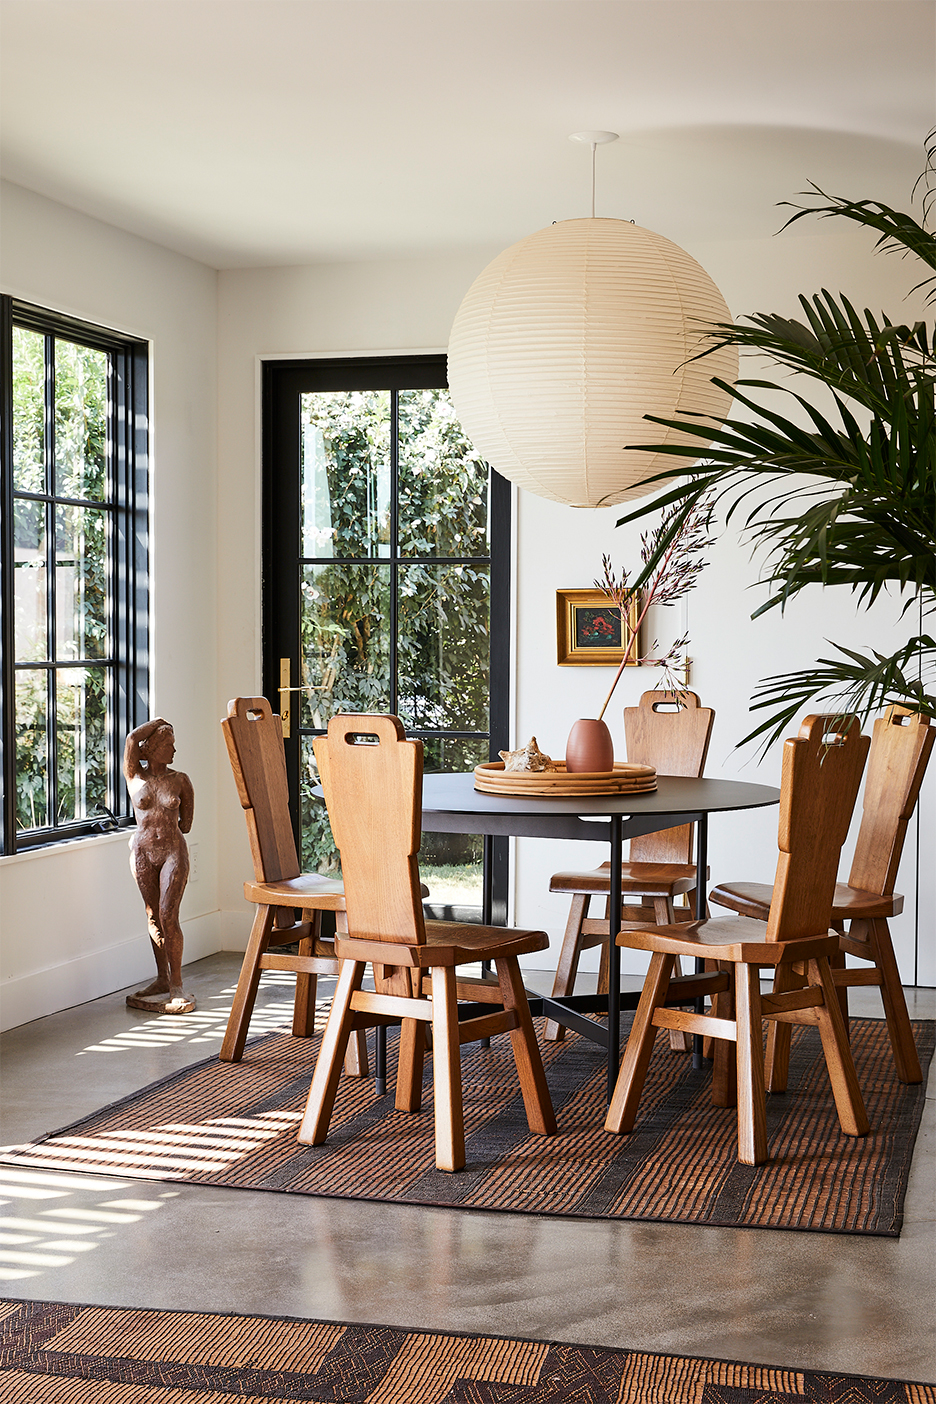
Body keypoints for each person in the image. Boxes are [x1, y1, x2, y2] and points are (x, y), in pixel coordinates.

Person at [123, 718, 195, 1012]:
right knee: (153, 915)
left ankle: (176, 984)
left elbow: (186, 825)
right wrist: (156, 723)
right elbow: (130, 741)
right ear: (151, 749)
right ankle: (162, 979)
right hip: (142, 852)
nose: (174, 750)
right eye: (168, 745)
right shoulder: (134, 777)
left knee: (168, 914)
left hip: (172, 852)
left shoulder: (180, 780)